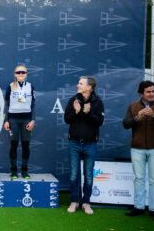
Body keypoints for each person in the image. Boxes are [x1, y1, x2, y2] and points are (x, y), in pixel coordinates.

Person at [64, 76, 104, 215]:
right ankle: (74, 201)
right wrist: (76, 112)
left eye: (81, 84)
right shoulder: (72, 100)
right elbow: (67, 119)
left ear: (89, 87)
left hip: (90, 144)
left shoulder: (98, 102)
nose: (77, 85)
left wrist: (89, 113)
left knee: (88, 175)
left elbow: (99, 121)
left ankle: (86, 202)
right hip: (74, 143)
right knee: (74, 174)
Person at [123, 80, 154, 220]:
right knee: (139, 178)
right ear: (141, 93)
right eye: (148, 92)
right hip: (137, 148)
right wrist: (138, 117)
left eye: (153, 91)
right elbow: (126, 124)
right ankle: (139, 207)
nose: (151, 94)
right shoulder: (133, 106)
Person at [3, 65, 35, 179]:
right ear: (15, 74)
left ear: (26, 74)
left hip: (26, 120)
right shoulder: (10, 86)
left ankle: (25, 171)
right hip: (13, 120)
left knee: (26, 146)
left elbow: (33, 105)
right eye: (18, 72)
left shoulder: (30, 86)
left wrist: (33, 120)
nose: (21, 74)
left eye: (23, 72)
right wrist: (6, 120)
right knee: (14, 145)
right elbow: (6, 104)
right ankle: (14, 171)